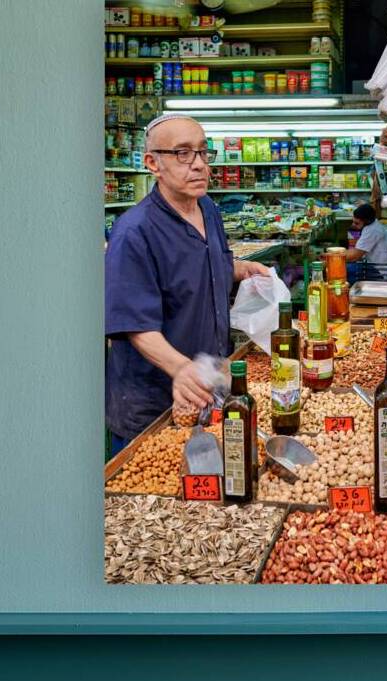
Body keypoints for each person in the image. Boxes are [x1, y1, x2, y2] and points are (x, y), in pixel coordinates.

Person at [105, 114, 270, 450]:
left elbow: (205, 262)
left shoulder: (207, 208)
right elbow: (135, 324)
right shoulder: (134, 232)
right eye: (182, 153)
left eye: (203, 152)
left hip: (207, 387)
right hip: (153, 402)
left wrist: (237, 269)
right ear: (153, 163)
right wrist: (181, 368)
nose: (198, 165)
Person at [346, 203, 387, 281]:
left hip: (383, 273)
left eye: (356, 223)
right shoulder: (374, 224)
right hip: (382, 268)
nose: (353, 225)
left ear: (367, 221)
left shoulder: (372, 230)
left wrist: (331, 257)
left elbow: (355, 256)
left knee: (344, 269)